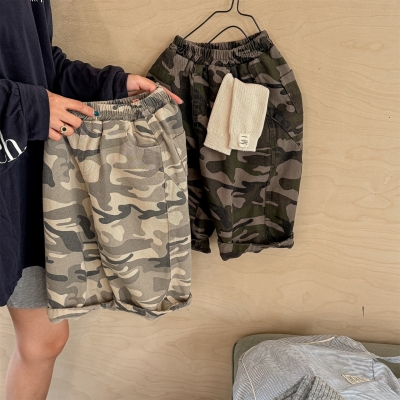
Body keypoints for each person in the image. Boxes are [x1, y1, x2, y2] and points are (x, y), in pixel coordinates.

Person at [0, 1, 182, 399]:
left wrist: (111, 85)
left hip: (19, 182)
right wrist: (27, 106)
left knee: (44, 341)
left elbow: (33, 60)